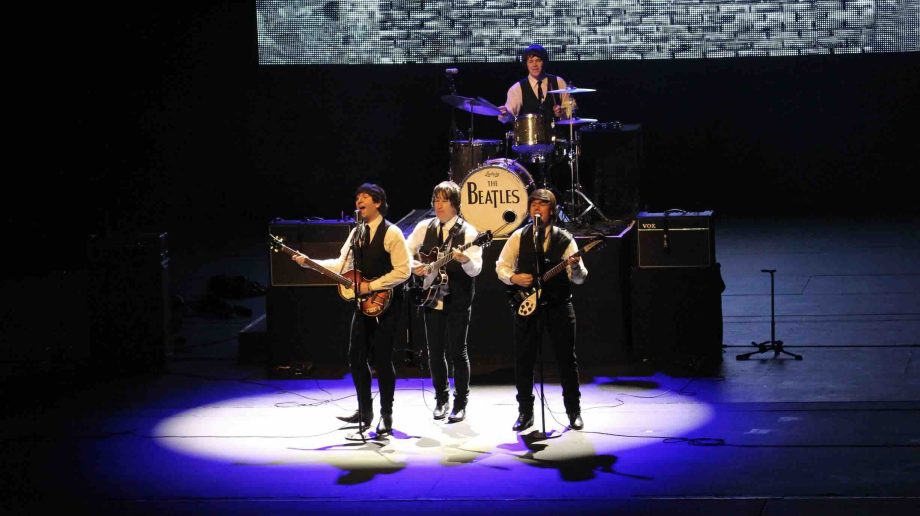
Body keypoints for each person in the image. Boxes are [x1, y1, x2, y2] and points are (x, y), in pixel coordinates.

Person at [291, 183, 410, 436]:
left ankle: (386, 414)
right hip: (361, 303)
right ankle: (365, 411)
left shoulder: (392, 233)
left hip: (388, 303)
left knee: (383, 360)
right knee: (356, 357)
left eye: (365, 197)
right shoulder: (356, 232)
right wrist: (310, 264)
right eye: (357, 198)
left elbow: (403, 271)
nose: (359, 201)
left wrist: (371, 286)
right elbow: (341, 265)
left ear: (378, 202)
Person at [495, 188, 587, 431]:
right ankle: (525, 412)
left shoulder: (565, 239)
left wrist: (576, 267)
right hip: (527, 305)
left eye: (542, 204)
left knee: (567, 359)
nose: (536, 207)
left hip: (558, 305)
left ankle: (573, 411)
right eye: (533, 203)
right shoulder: (519, 237)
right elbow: (501, 266)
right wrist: (514, 278)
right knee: (524, 359)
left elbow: (579, 278)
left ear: (552, 210)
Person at [406, 181, 483, 422]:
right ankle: (441, 398)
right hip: (431, 297)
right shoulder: (424, 227)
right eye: (436, 200)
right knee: (435, 352)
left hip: (458, 298)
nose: (438, 205)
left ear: (455, 204)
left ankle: (460, 403)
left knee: (458, 352)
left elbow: (476, 269)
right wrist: (414, 265)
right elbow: (404, 252)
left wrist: (463, 260)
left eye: (444, 201)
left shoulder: (469, 232)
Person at [497, 44, 575, 125]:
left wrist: (563, 113)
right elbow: (508, 117)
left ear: (544, 62)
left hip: (557, 132)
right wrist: (505, 115)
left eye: (538, 60)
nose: (534, 65)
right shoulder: (517, 88)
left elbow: (572, 110)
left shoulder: (559, 82)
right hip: (529, 133)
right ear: (526, 64)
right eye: (530, 61)